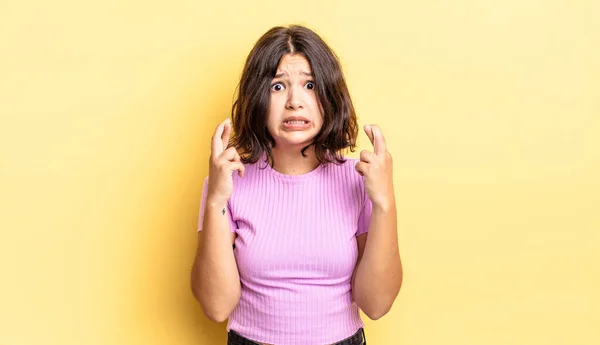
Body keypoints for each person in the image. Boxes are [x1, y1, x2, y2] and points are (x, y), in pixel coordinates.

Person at [191, 25, 403, 345]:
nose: (295, 102)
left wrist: (384, 202)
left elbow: (376, 305)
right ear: (258, 99)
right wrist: (215, 201)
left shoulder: (360, 179)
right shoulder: (228, 181)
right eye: (278, 86)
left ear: (329, 96)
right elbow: (216, 306)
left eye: (309, 85)